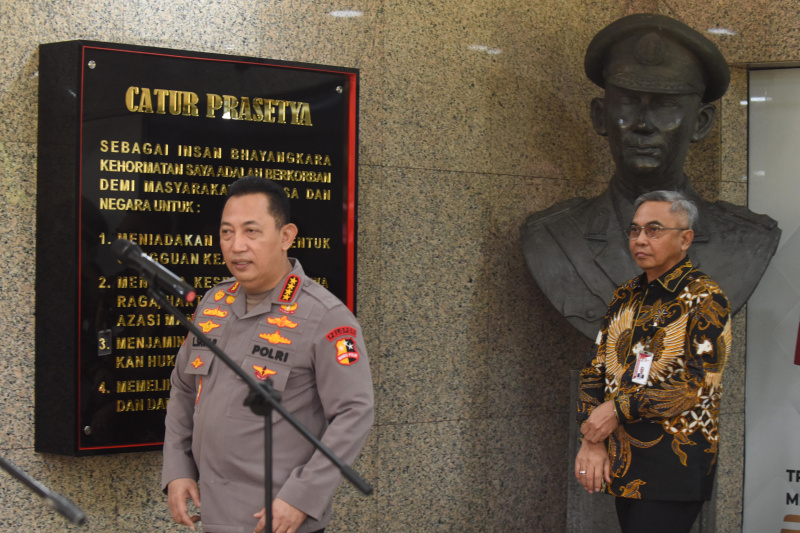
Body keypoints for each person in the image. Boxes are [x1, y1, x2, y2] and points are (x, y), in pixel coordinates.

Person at [521, 13, 779, 340]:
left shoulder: (746, 241)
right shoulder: (551, 237)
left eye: (665, 106)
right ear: (601, 116)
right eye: (628, 102)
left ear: (701, 123)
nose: (643, 124)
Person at [161, 175, 374, 533]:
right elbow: (183, 389)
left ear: (286, 236)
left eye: (251, 231)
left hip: (276, 520)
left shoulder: (325, 316)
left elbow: (354, 413)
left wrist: (302, 497)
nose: (236, 245)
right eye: (226, 232)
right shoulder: (214, 303)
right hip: (212, 515)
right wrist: (177, 468)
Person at [574, 190, 731, 533]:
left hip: (673, 461)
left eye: (654, 230)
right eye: (635, 230)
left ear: (686, 238)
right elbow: (594, 367)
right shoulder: (627, 293)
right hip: (623, 458)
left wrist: (616, 410)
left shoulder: (704, 296)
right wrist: (592, 437)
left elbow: (695, 384)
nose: (640, 239)